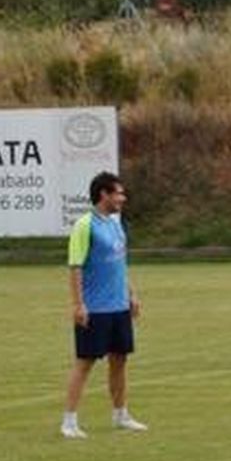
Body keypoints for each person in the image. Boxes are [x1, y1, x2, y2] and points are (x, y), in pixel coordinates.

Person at [61, 172, 147, 439]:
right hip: (95, 309)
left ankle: (121, 414)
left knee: (119, 361)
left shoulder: (115, 223)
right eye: (118, 193)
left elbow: (120, 264)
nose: (123, 198)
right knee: (84, 363)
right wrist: (78, 305)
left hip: (118, 307)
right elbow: (75, 267)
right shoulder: (85, 226)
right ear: (104, 195)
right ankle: (69, 422)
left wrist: (131, 294)